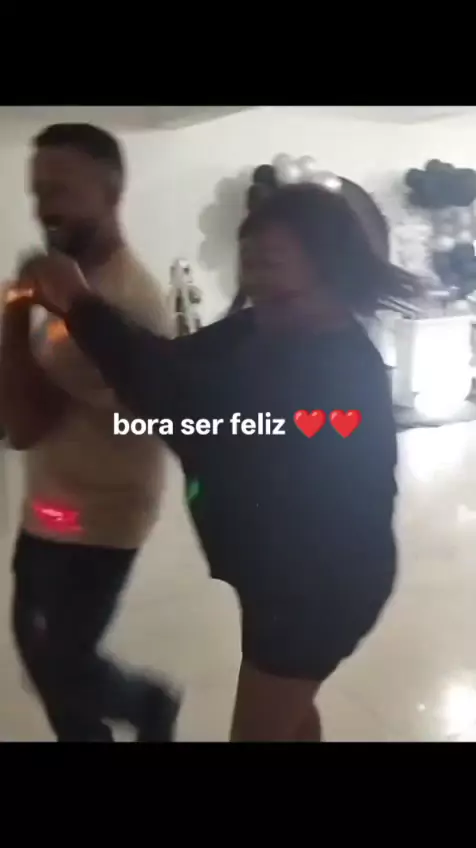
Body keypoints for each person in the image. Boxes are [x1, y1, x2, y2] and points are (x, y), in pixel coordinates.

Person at [17, 183, 417, 742]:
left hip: (320, 591)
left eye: (269, 263)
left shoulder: (336, 373)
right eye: (248, 264)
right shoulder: (259, 329)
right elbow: (170, 365)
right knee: (292, 711)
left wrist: (80, 303)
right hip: (274, 578)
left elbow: (180, 399)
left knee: (266, 718)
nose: (254, 282)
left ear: (328, 264)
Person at [0, 123, 179, 742]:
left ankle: (150, 705)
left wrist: (14, 311)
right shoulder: (68, 287)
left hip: (98, 516)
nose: (44, 208)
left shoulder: (117, 303)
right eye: (37, 192)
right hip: (53, 502)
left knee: (61, 660)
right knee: (43, 652)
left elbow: (22, 424)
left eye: (61, 190)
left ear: (111, 191)